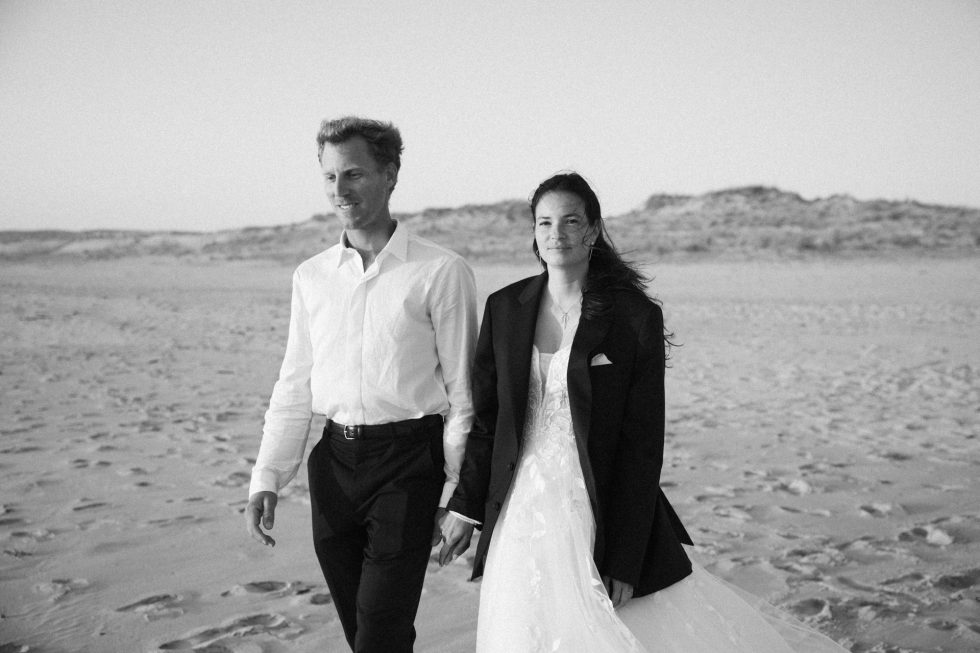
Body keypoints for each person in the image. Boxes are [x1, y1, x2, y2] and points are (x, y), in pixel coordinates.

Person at [439, 172, 849, 651]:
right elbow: (489, 421)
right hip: (518, 508)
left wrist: (626, 560)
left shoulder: (633, 317)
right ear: (533, 231)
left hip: (596, 502)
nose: (557, 234)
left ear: (593, 230)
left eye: (571, 221)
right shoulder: (505, 307)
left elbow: (641, 446)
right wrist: (465, 508)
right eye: (545, 222)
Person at [244, 116, 477, 653]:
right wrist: (267, 476)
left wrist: (463, 496)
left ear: (390, 174)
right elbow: (294, 384)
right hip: (332, 467)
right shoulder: (311, 276)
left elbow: (465, 392)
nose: (339, 191)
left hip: (408, 467)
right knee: (365, 634)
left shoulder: (440, 271)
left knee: (380, 632)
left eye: (353, 174)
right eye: (329, 177)